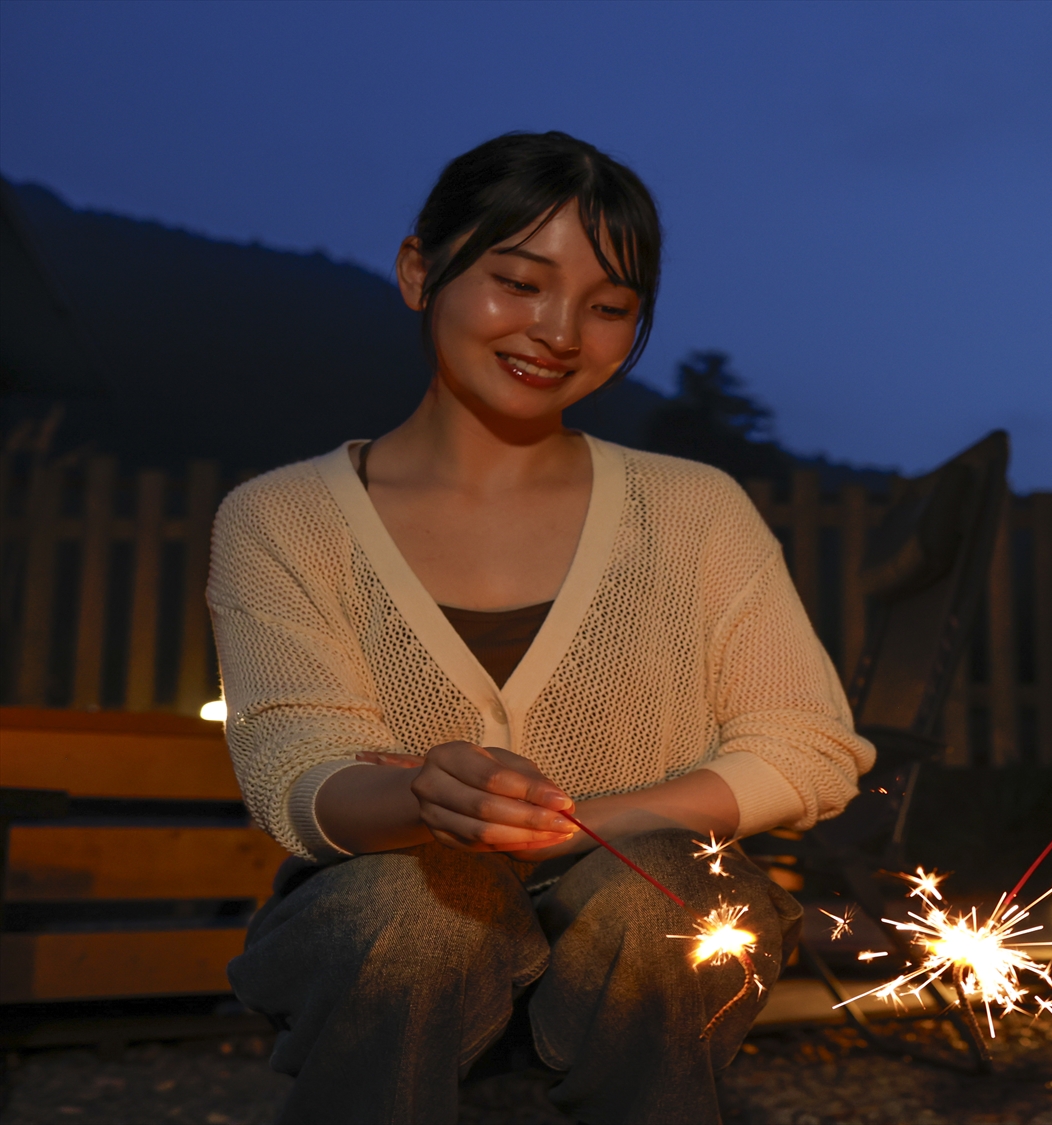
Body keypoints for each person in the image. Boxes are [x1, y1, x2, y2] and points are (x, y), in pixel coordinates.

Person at [208, 131, 874, 1125]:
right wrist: (419, 798)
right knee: (411, 915)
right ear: (418, 270)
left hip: (640, 904)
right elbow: (293, 770)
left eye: (608, 308)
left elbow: (808, 746)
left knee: (663, 903)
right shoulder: (282, 517)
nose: (559, 331)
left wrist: (586, 824)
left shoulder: (692, 510)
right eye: (518, 282)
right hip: (377, 918)